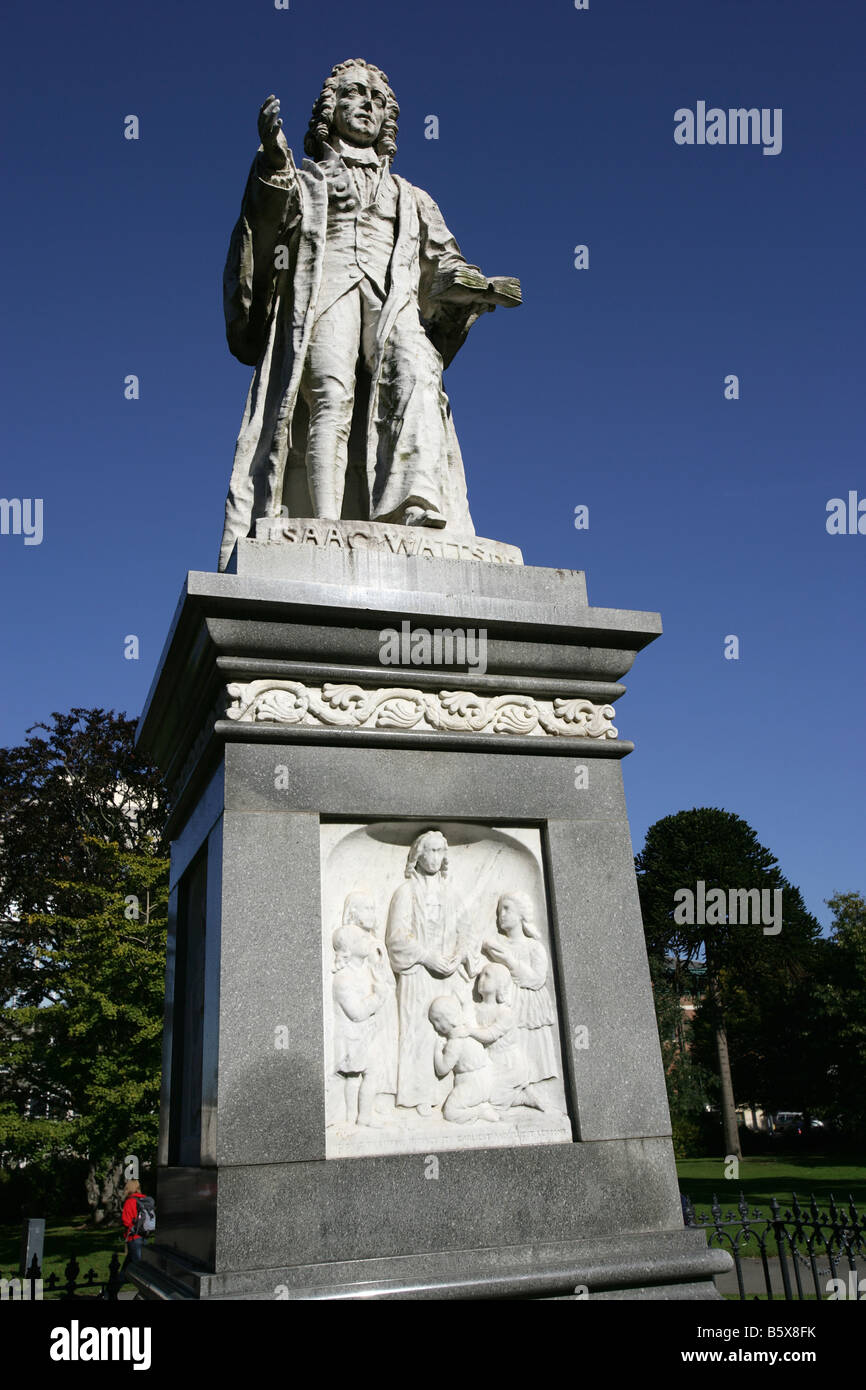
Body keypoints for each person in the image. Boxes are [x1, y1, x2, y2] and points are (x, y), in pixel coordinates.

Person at [218, 58, 521, 570]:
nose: (367, 105)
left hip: (392, 301)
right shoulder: (303, 177)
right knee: (329, 398)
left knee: (417, 374)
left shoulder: (411, 196)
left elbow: (441, 263)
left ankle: (414, 510)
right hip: (326, 289)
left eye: (378, 100)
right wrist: (271, 163)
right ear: (329, 110)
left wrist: (478, 285)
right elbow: (262, 227)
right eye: (355, 94)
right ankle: (325, 526)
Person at [385, 830, 473, 1115]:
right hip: (418, 974)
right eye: (430, 851)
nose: (435, 858)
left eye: (440, 852)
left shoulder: (452, 893)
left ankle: (450, 1091)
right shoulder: (406, 892)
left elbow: (466, 931)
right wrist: (426, 957)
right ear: (417, 855)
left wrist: (457, 956)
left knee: (450, 1031)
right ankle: (418, 1095)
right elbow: (396, 938)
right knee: (418, 1033)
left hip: (448, 974)